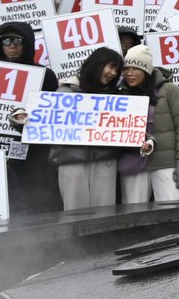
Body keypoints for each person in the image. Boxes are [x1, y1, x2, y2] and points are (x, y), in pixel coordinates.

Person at [0, 20, 61, 214]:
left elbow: (50, 119)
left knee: (36, 207)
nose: (11, 45)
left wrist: (26, 122)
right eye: (5, 40)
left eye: (17, 40)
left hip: (34, 155)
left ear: (27, 43)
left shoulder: (46, 76)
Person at [49, 47, 127, 210]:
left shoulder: (117, 98)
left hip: (105, 161)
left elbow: (128, 126)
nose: (113, 73)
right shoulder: (65, 91)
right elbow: (45, 124)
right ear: (98, 64)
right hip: (71, 160)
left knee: (104, 213)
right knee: (75, 213)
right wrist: (21, 120)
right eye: (111, 67)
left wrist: (146, 139)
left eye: (117, 70)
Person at [117, 45, 179, 204]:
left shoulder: (171, 91)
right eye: (126, 68)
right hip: (133, 163)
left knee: (172, 211)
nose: (129, 73)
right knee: (133, 213)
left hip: (166, 164)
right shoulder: (119, 94)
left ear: (146, 69)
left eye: (135, 68)